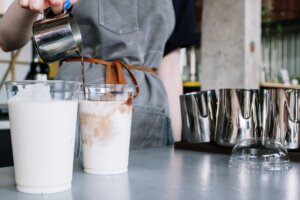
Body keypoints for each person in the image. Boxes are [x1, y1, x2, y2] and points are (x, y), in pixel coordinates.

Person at [0, 0, 199, 149]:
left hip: (151, 119)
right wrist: (24, 4)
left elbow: (170, 71)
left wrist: (177, 150)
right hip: (72, 112)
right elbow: (7, 38)